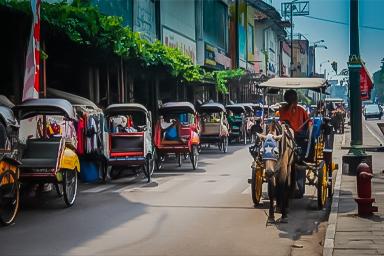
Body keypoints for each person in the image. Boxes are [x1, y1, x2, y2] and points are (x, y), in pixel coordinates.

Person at [279, 89, 312, 198]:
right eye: (292, 100)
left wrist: (309, 127)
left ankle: (298, 185)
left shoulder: (301, 110)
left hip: (299, 136)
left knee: (300, 160)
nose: (294, 101)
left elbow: (308, 122)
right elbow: (282, 122)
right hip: (286, 135)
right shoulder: (282, 110)